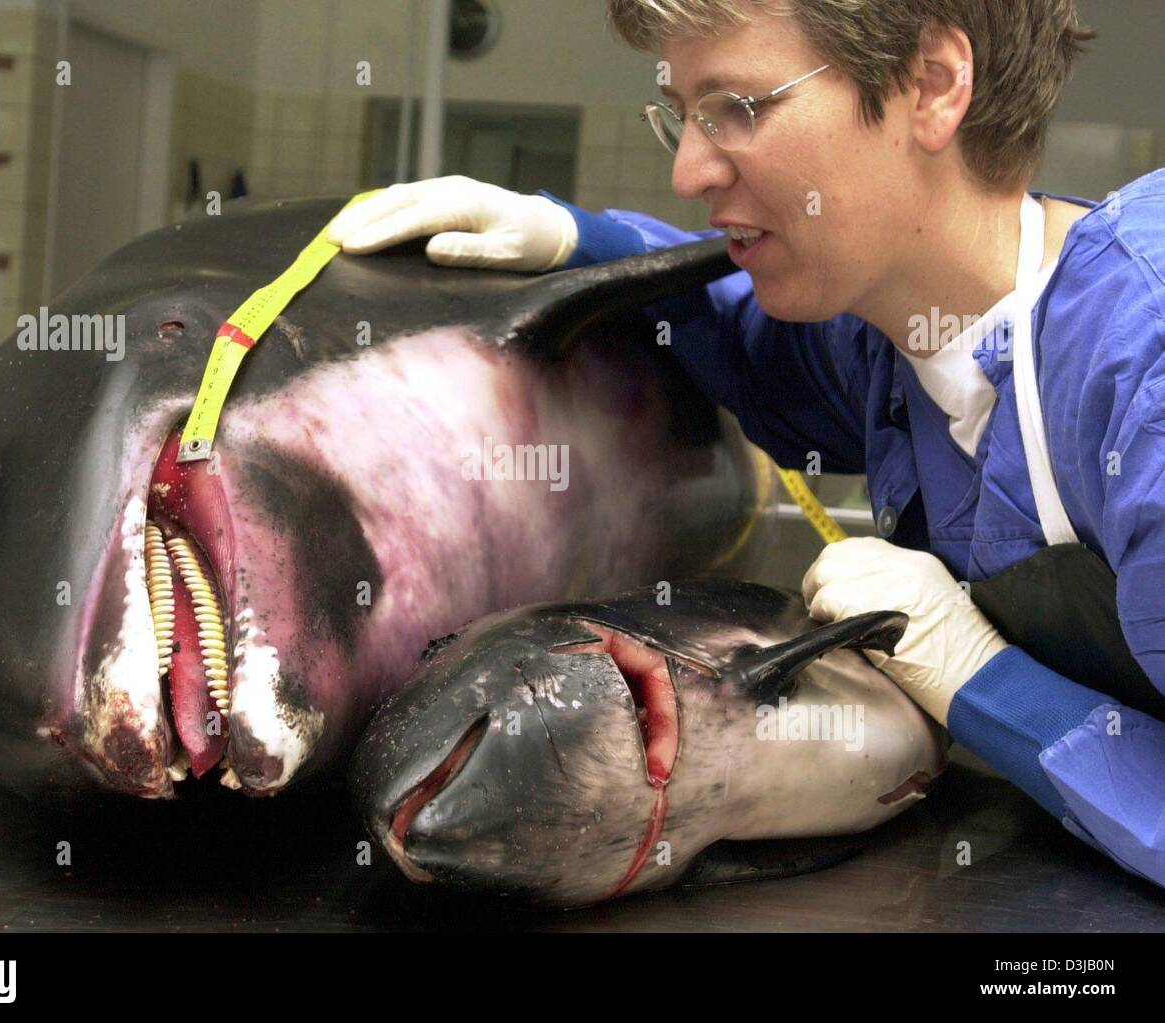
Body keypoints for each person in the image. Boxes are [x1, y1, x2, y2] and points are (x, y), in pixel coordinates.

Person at [325, 0, 1165, 888]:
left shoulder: (1140, 369)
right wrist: (582, 244)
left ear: (933, 86)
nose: (689, 169)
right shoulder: (887, 338)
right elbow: (739, 334)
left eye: (741, 108)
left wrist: (983, 682)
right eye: (682, 116)